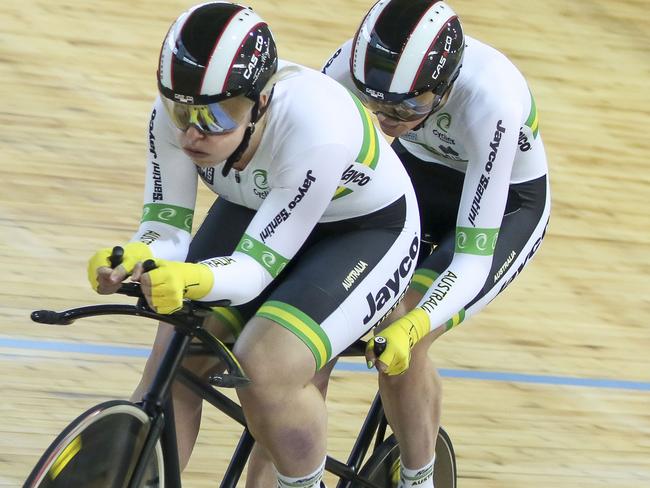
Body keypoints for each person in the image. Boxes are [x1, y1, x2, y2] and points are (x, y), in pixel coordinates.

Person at [86, 2, 420, 487]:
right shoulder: (173, 116)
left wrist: (193, 277)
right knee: (176, 358)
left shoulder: (314, 130)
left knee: (267, 368)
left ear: (261, 101)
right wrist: (139, 254)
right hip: (262, 205)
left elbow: (253, 271)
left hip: (362, 231)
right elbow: (167, 228)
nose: (195, 132)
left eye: (220, 114)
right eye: (183, 111)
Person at [319, 0, 551, 486]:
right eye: (377, 104)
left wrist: (418, 322)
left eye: (409, 108)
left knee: (405, 328)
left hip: (505, 202)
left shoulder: (493, 102)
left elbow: (471, 255)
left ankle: (421, 478)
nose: (387, 120)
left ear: (446, 86)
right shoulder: (349, 69)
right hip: (416, 176)